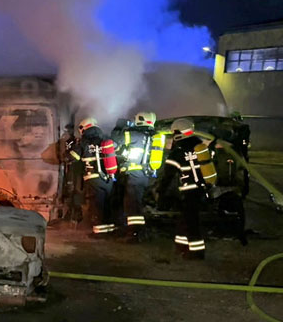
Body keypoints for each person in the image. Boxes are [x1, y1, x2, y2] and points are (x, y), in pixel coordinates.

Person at [156, 118, 217, 259]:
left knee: (191, 222)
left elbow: (168, 175)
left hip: (189, 191)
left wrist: (160, 192)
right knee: (184, 219)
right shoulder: (200, 146)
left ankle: (197, 252)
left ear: (178, 133)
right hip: (203, 189)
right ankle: (181, 246)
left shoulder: (178, 152)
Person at [114, 111, 157, 241]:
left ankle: (134, 234)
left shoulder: (131, 134)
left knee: (132, 205)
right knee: (137, 204)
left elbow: (115, 139)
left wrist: (119, 126)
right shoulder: (152, 136)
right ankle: (139, 232)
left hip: (134, 175)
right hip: (145, 175)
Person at [72, 117, 118, 236]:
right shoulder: (106, 138)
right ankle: (110, 229)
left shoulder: (84, 142)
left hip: (93, 177)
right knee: (107, 202)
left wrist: (68, 150)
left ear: (84, 128)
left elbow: (73, 157)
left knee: (96, 204)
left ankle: (99, 231)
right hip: (108, 177)